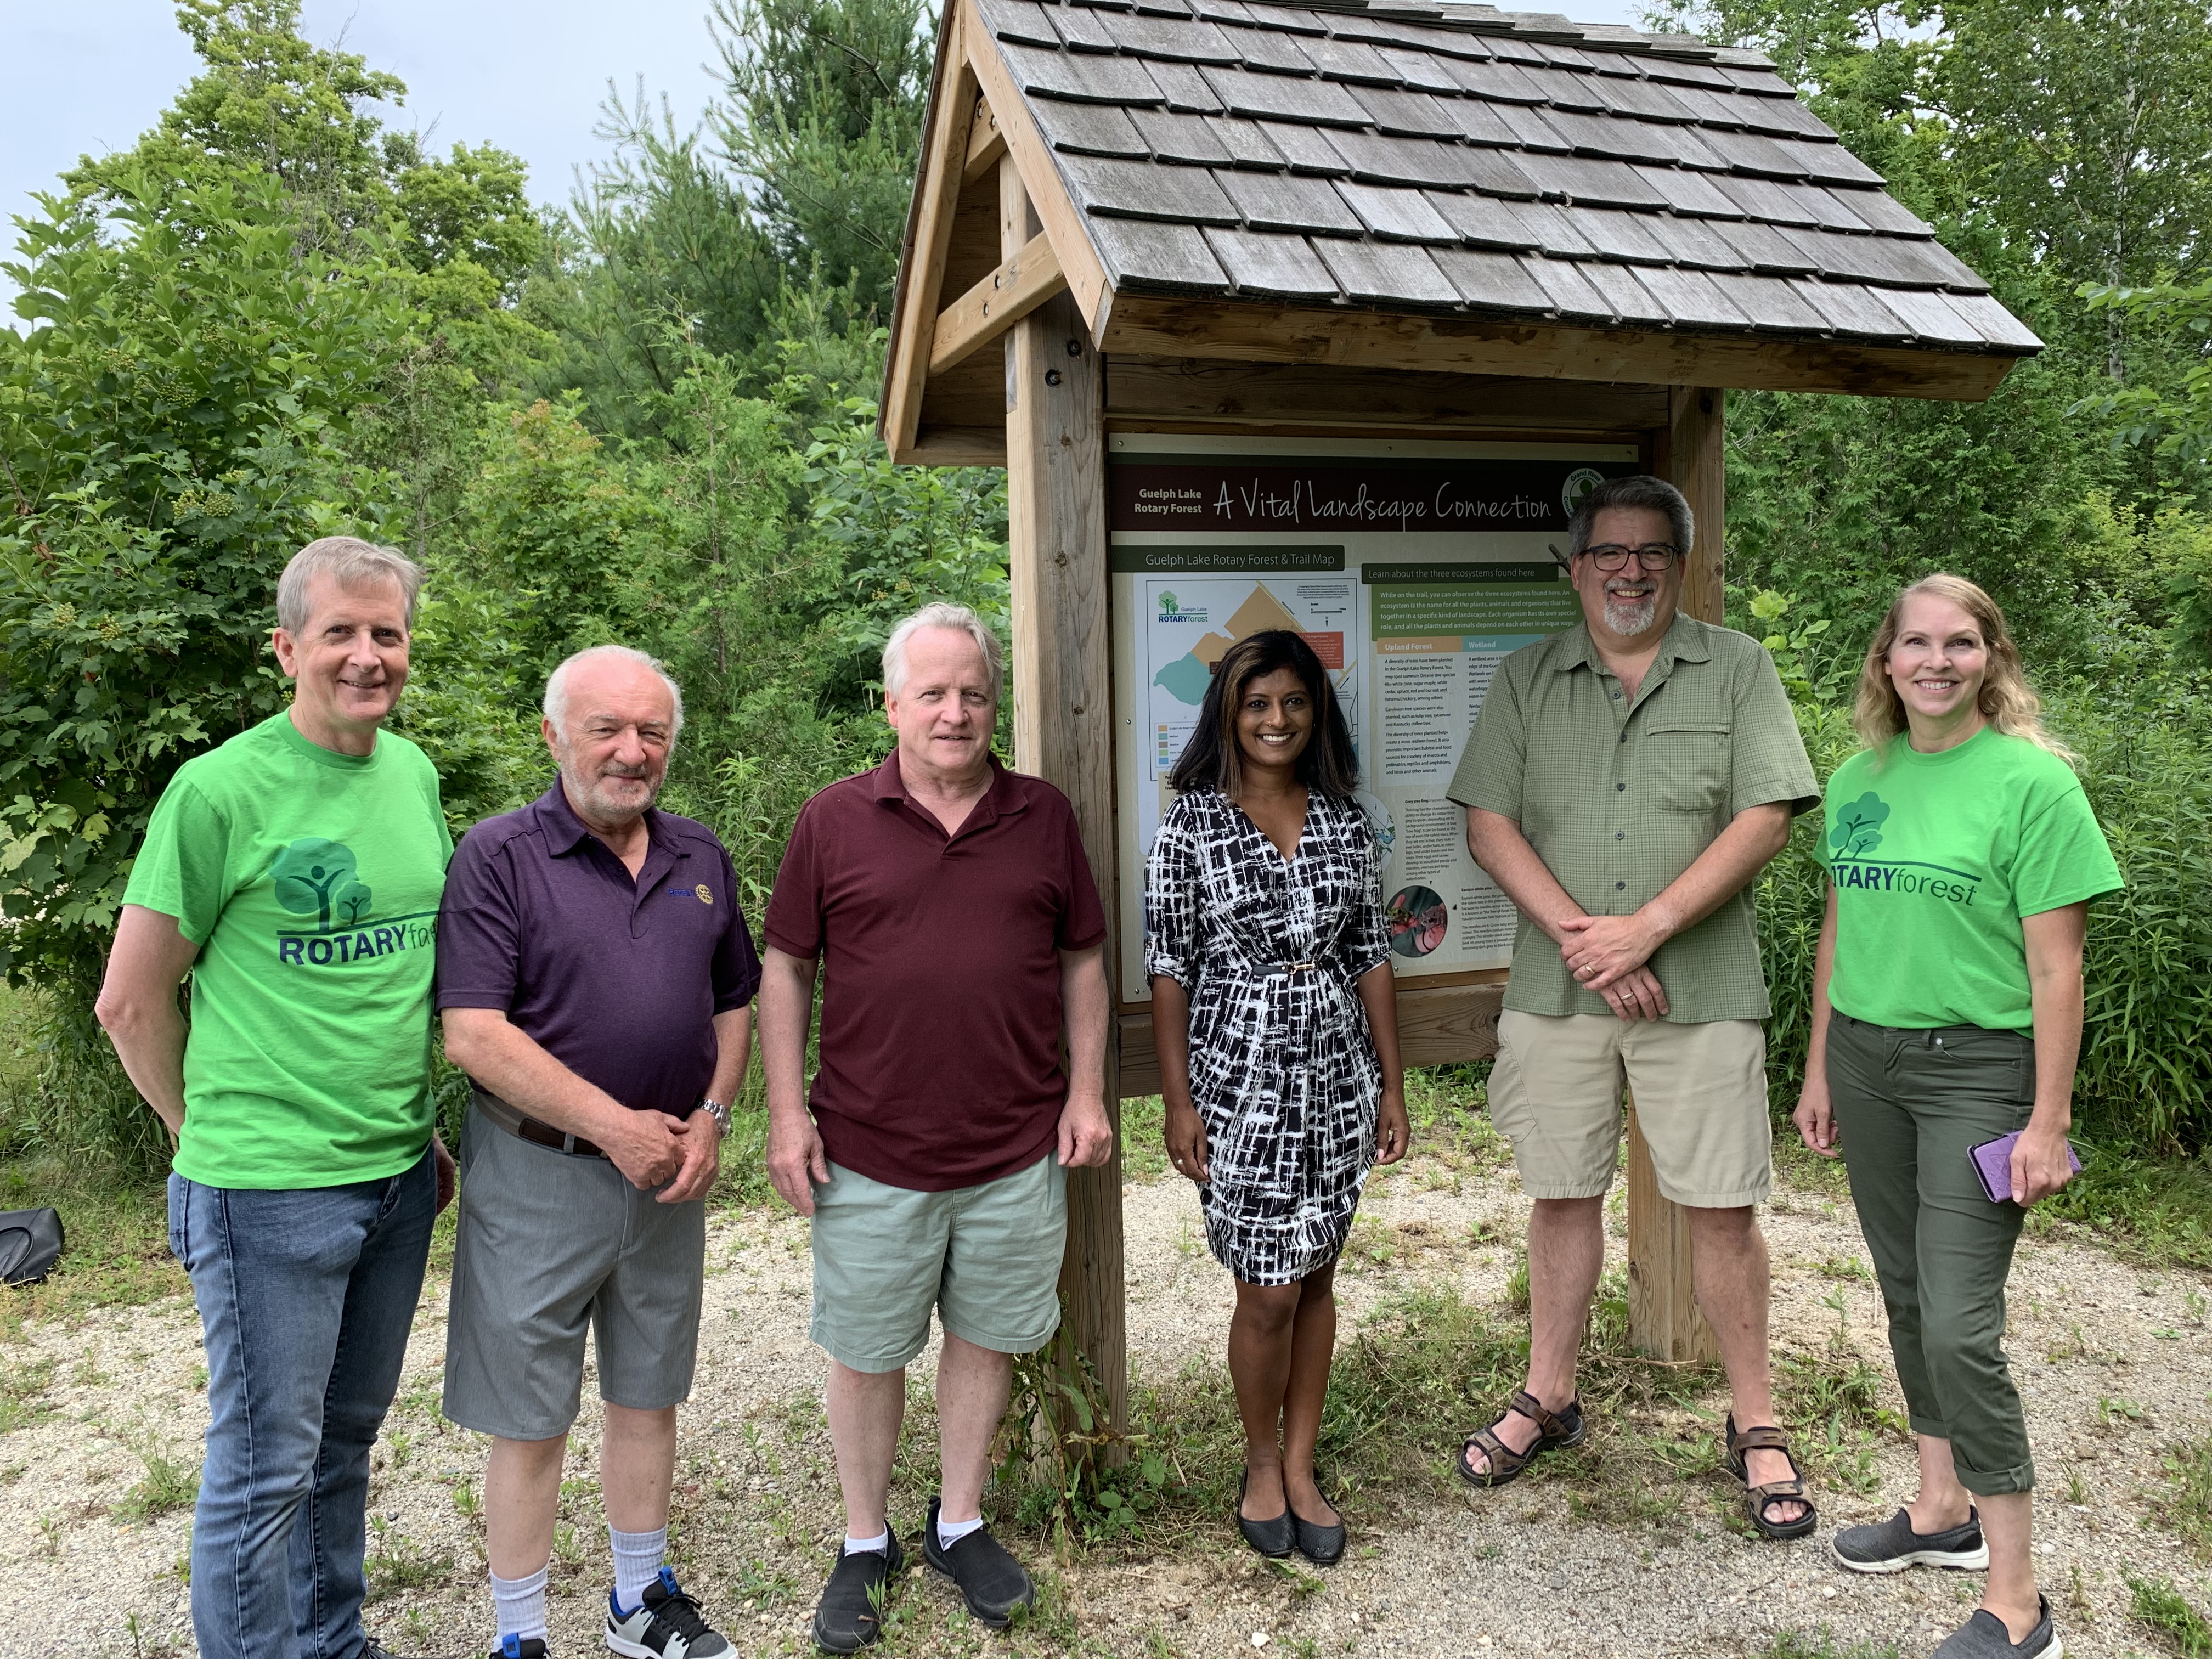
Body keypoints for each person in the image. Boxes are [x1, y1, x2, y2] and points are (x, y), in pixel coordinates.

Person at [95, 536, 454, 1659]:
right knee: (263, 1468)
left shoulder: (413, 776)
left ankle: (332, 1642)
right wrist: (200, 1142)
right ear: (286, 647)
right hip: (264, 1188)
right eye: (340, 633)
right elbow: (131, 1004)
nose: (366, 656)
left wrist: (425, 1129)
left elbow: (404, 979)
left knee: (344, 1441)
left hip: (397, 1175)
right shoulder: (218, 792)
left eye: (386, 633)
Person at [1445, 474, 1822, 1538]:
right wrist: (1594, 944)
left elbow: (1765, 820)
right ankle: (1549, 1394)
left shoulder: (1739, 671)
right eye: (1609, 551)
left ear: (1681, 563)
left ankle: (1755, 1418)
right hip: (1558, 993)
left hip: (1701, 991)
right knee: (1561, 1193)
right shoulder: (1528, 679)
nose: (1630, 570)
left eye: (1652, 551)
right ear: (1577, 567)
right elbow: (1489, 825)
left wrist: (1646, 928)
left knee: (1721, 1203)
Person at [759, 602, 1114, 1654]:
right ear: (892, 705)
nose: (955, 713)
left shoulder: (1042, 816)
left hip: (1015, 1146)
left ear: (992, 703)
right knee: (867, 1351)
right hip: (870, 1149)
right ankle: (864, 1539)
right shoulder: (833, 820)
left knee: (989, 1335)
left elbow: (1083, 958)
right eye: (933, 694)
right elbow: (786, 964)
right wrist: (785, 1113)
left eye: (973, 693)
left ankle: (958, 1520)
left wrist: (1087, 1092)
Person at [1794, 575, 2116, 1659]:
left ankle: (2019, 1605)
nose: (1938, 661)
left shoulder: (2034, 786)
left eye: (1961, 643)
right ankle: (1940, 1517)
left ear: (1992, 658)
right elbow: (1843, 922)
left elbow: (2057, 965)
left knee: (1961, 1326)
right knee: (1903, 1292)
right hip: (1867, 1060)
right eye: (1917, 643)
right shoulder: (1856, 779)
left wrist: (2046, 1118)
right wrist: (1819, 1067)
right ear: (1885, 662)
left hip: (1980, 1072)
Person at [436, 645, 760, 1659]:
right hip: (541, 1172)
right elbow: (475, 1034)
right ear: (554, 735)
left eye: (651, 732)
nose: (632, 752)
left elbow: (735, 1002)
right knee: (529, 1418)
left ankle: (637, 1604)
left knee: (648, 1392)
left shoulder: (698, 858)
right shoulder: (498, 856)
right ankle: (520, 1637)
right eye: (606, 730)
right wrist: (616, 1127)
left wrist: (710, 1115)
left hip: (669, 1174)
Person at [1144, 630, 1410, 1565]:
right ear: (1228, 710)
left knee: (1322, 1272)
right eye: (1258, 704)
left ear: (1315, 714)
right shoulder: (1191, 825)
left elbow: (1369, 951)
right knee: (1268, 1289)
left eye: (1294, 703)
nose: (1276, 720)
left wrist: (1392, 1084)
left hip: (1336, 1073)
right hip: (1239, 1074)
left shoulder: (1342, 818)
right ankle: (1260, 1463)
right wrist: (1179, 1103)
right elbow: (1169, 966)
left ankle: (1302, 1468)